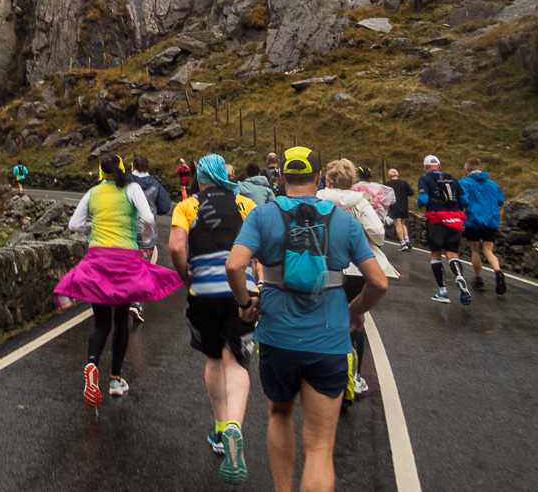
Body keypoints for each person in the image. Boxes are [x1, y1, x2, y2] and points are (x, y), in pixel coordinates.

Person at [227, 146, 387, 492]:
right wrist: (355, 310)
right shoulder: (344, 221)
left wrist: (245, 303)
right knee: (319, 447)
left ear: (281, 178)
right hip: (328, 342)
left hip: (276, 338)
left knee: (279, 415)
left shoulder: (261, 215)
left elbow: (234, 265)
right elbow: (379, 282)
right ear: (318, 178)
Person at [54, 155, 183, 407]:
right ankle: (115, 380)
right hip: (125, 260)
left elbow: (74, 225)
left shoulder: (93, 193)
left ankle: (92, 364)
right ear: (124, 169)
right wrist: (145, 237)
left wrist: (93, 229)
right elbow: (148, 218)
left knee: (101, 324)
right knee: (120, 319)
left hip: (98, 258)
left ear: (101, 173)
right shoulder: (132, 189)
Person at [168, 154, 258, 485]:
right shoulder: (246, 204)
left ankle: (220, 430)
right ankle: (235, 425)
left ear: (200, 177)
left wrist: (187, 279)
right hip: (241, 293)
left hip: (204, 292)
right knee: (235, 360)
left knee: (213, 357)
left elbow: (177, 247)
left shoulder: (188, 205)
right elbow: (260, 247)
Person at [319, 159, 399, 397]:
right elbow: (379, 233)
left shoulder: (319, 198)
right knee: (355, 319)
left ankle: (327, 370)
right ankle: (355, 376)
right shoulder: (361, 203)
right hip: (356, 269)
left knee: (325, 315)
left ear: (328, 181)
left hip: (327, 265)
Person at [418, 155, 471, 305]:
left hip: (436, 220)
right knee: (452, 253)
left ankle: (443, 292)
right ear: (439, 166)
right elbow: (465, 200)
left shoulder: (425, 179)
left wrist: (422, 205)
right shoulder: (453, 179)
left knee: (435, 255)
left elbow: (422, 200)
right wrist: (455, 212)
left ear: (426, 167)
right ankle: (459, 275)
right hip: (455, 220)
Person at [127, 154, 172, 323]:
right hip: (147, 232)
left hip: (128, 230)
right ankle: (135, 302)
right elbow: (166, 206)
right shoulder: (155, 184)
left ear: (133, 166)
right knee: (143, 266)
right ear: (147, 168)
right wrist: (153, 209)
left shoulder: (126, 182)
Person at [460, 157, 507, 294]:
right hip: (491, 220)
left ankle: (478, 279)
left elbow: (463, 200)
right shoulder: (492, 184)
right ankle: (497, 271)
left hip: (474, 220)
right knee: (488, 250)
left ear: (467, 169)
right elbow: (500, 201)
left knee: (475, 249)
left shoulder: (464, 183)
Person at [385, 168, 413, 251]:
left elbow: (384, 196)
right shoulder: (404, 183)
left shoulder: (387, 184)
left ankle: (403, 243)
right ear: (397, 175)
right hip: (404, 206)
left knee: (397, 224)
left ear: (389, 175)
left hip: (395, 206)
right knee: (403, 224)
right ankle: (407, 240)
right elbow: (411, 193)